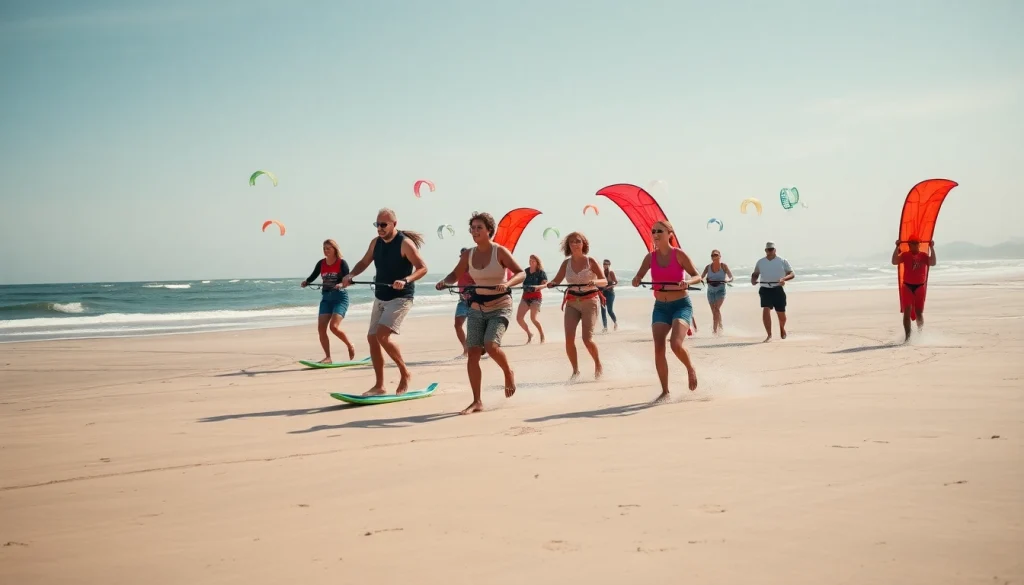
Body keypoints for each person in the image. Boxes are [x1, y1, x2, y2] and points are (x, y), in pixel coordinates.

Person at [436, 212, 525, 414]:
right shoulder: (468, 254)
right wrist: (445, 282)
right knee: (473, 352)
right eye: (473, 228)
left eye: (479, 228)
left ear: (489, 231)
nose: (475, 231)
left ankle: (508, 371)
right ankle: (477, 401)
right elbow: (454, 274)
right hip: (476, 306)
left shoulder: (499, 251)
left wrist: (507, 284)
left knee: (491, 345)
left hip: (500, 305)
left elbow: (521, 273)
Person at [342, 208, 428, 396]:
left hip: (401, 297)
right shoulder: (376, 243)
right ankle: (380, 386)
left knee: (382, 335)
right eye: (377, 224)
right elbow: (364, 262)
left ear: (394, 224)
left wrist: (406, 280)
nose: (379, 228)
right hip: (381, 296)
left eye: (383, 224)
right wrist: (351, 275)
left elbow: (422, 268)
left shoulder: (405, 244)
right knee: (372, 337)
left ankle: (405, 372)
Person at [631, 220, 702, 400]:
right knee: (658, 347)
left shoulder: (679, 254)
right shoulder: (650, 258)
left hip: (681, 305)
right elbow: (638, 276)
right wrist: (636, 280)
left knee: (675, 345)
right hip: (660, 307)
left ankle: (690, 368)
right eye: (653, 231)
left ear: (669, 234)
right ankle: (665, 391)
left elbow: (697, 276)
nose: (655, 234)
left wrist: (687, 282)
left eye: (659, 231)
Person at [546, 232, 607, 381]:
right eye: (572, 242)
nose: (575, 244)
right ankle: (575, 371)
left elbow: (604, 281)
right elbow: (557, 280)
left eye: (578, 241)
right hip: (572, 302)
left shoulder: (591, 261)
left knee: (587, 339)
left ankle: (598, 363)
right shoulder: (566, 263)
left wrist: (595, 282)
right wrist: (551, 284)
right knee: (569, 339)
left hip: (590, 302)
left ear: (583, 243)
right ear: (568, 245)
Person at [300, 239, 355, 363]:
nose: (325, 251)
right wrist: (306, 282)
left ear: (334, 249)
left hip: (340, 298)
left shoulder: (341, 263)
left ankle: (349, 345)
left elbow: (347, 280)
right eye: (324, 248)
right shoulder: (321, 263)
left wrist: (342, 284)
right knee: (321, 329)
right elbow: (313, 275)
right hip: (326, 299)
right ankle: (328, 357)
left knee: (333, 327)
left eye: (328, 248)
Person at [891, 238, 936, 342]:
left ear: (919, 245)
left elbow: (933, 263)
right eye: (912, 244)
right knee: (907, 312)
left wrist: (932, 248)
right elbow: (894, 261)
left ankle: (920, 335)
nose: (914, 245)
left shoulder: (923, 255)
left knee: (919, 313)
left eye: (916, 243)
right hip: (907, 286)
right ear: (909, 245)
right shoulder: (905, 255)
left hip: (920, 286)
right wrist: (897, 246)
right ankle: (908, 337)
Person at [750, 241, 795, 342]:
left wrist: (784, 279)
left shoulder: (782, 261)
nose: (769, 251)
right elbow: (755, 273)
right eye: (768, 249)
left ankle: (782, 328)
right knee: (766, 309)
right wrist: (753, 279)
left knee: (781, 314)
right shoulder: (760, 262)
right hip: (765, 289)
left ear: (775, 250)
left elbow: (792, 274)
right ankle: (769, 335)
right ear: (765, 250)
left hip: (778, 289)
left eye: (771, 249)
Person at [700, 249, 734, 335]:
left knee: (716, 309)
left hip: (720, 290)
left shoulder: (724, 266)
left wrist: (727, 280)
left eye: (716, 255)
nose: (714, 257)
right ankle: (720, 326)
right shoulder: (708, 267)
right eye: (712, 255)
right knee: (714, 311)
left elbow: (731, 277)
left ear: (719, 256)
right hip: (710, 291)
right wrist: (701, 279)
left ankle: (714, 331)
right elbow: (701, 277)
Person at [516, 255, 548, 343]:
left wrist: (537, 287)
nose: (531, 262)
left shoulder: (541, 273)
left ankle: (541, 334)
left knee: (533, 319)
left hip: (536, 298)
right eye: (530, 260)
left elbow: (545, 285)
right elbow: (518, 280)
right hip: (525, 297)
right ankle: (529, 334)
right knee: (519, 318)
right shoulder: (525, 271)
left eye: (533, 261)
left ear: (537, 262)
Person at [452, 247, 474, 358]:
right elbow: (452, 278)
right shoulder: (459, 269)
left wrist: (472, 285)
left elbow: (481, 281)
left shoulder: (475, 268)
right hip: (462, 301)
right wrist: (444, 283)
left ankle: (483, 348)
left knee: (474, 326)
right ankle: (466, 349)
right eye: (461, 256)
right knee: (457, 325)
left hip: (475, 301)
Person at [599, 259, 619, 332]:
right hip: (602, 293)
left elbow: (616, 282)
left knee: (609, 310)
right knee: (603, 310)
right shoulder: (601, 272)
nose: (605, 265)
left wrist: (608, 287)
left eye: (607, 264)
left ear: (609, 265)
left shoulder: (611, 273)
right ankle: (605, 327)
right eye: (604, 264)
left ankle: (615, 322)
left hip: (610, 293)